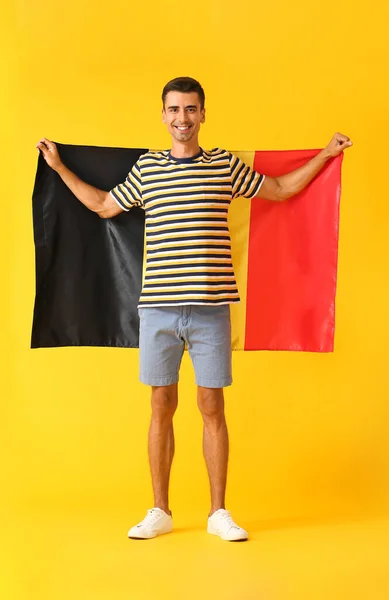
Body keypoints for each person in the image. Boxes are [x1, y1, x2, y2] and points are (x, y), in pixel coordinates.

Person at [36, 76, 352, 542]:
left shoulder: (224, 166)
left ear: (203, 114)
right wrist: (59, 167)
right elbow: (104, 205)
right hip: (159, 312)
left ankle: (218, 512)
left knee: (212, 406)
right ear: (163, 116)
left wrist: (326, 154)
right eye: (174, 109)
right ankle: (160, 510)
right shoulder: (148, 169)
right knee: (160, 404)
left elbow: (281, 189)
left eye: (190, 109)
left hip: (210, 311)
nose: (182, 118)